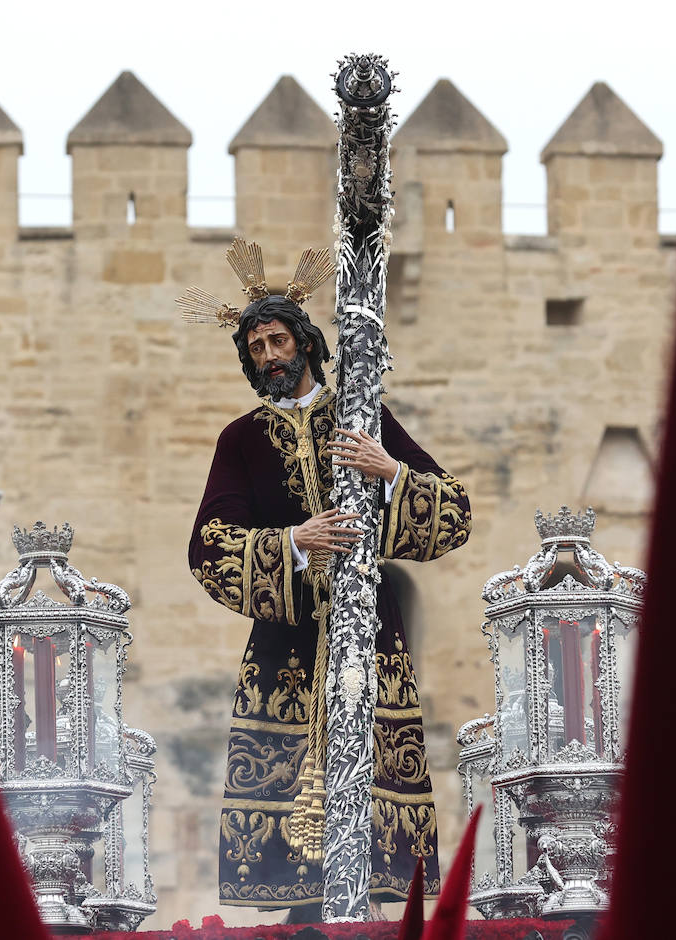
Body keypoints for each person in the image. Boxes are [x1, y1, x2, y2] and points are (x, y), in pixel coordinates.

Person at [181, 240, 472, 918]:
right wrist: (294, 544)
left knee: (373, 803)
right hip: (286, 652)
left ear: (306, 343)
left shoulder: (362, 418)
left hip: (370, 645)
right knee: (295, 834)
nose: (269, 357)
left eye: (278, 340)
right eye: (256, 348)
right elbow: (209, 548)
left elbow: (453, 510)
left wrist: (387, 470)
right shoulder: (242, 440)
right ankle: (303, 918)